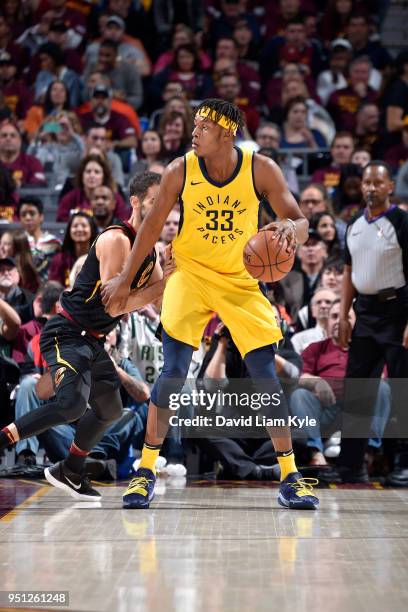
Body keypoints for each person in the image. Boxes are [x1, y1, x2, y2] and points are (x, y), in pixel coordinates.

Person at [102, 98, 319, 511]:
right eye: (195, 125)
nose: (194, 132)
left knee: (263, 374)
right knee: (173, 371)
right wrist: (125, 280)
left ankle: (291, 476)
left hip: (240, 279)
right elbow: (150, 227)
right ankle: (146, 470)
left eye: (203, 126)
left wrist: (292, 229)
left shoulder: (260, 168)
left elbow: (300, 221)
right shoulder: (180, 169)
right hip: (192, 274)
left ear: (227, 132)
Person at [0, 171, 174, 501]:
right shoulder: (117, 239)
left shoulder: (150, 254)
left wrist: (175, 273)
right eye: (155, 200)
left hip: (92, 340)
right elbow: (113, 304)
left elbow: (160, 304)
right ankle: (6, 438)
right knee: (72, 405)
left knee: (110, 410)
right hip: (66, 332)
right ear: (136, 202)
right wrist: (160, 285)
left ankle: (70, 470)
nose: (162, 207)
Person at [324, 161, 408, 484]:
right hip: (367, 312)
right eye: (367, 183)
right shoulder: (355, 224)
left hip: (398, 308)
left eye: (378, 183)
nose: (371, 188)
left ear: (390, 187)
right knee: (358, 391)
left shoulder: (401, 221)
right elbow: (348, 271)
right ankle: (350, 466)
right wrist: (345, 313)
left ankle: (402, 462)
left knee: (401, 389)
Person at [290, 299, 391, 468]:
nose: (339, 321)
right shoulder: (315, 348)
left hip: (358, 411)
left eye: (345, 317)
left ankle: (369, 452)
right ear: (327, 323)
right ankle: (316, 453)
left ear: (356, 322)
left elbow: (381, 377)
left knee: (381, 387)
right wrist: (317, 381)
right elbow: (299, 376)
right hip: (326, 409)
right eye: (334, 317)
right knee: (299, 395)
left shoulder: (370, 349)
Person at [56, 153, 128, 222]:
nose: (92, 175)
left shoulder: (115, 198)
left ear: (104, 176)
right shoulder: (71, 197)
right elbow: (61, 221)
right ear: (82, 175)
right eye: (88, 171)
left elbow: (123, 222)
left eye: (97, 172)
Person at [17, 196, 61, 281]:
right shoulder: (16, 242)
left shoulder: (54, 242)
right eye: (23, 214)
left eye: (32, 213)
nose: (28, 218)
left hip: (49, 289)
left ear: (41, 217)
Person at [48, 211, 98, 287]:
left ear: (92, 230)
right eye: (75, 226)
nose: (79, 229)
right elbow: (53, 289)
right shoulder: (59, 259)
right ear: (69, 231)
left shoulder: (99, 257)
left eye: (84, 226)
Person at [0, 121, 46, 188]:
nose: (8, 138)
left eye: (13, 135)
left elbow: (39, 185)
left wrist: (20, 185)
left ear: (20, 141)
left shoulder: (32, 162)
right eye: (4, 135)